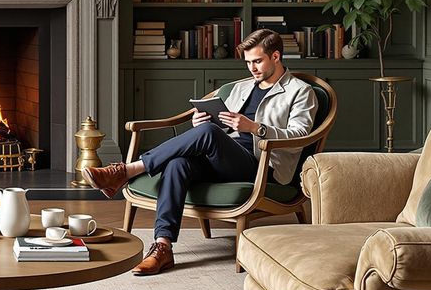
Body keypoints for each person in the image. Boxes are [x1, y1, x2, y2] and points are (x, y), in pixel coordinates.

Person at [82, 28, 317, 276]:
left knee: (208, 135)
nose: (252, 68)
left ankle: (127, 171)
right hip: (225, 157)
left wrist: (255, 128)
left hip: (261, 165)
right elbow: (222, 126)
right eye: (248, 62)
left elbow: (300, 136)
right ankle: (163, 246)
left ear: (276, 56)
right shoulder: (241, 87)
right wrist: (202, 123)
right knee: (178, 163)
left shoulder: (300, 91)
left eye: (257, 61)